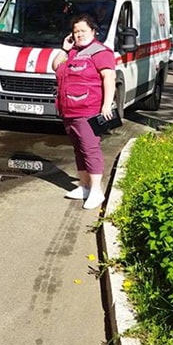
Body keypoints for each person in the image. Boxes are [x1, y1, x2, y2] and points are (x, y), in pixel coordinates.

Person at [52, 15, 116, 209]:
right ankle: (84, 186)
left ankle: (96, 190)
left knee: (90, 149)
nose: (78, 35)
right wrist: (64, 48)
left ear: (93, 31)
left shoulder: (100, 52)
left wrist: (106, 105)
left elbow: (109, 78)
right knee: (79, 149)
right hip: (69, 111)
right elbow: (55, 67)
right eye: (75, 31)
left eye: (82, 31)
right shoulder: (73, 52)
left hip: (88, 110)